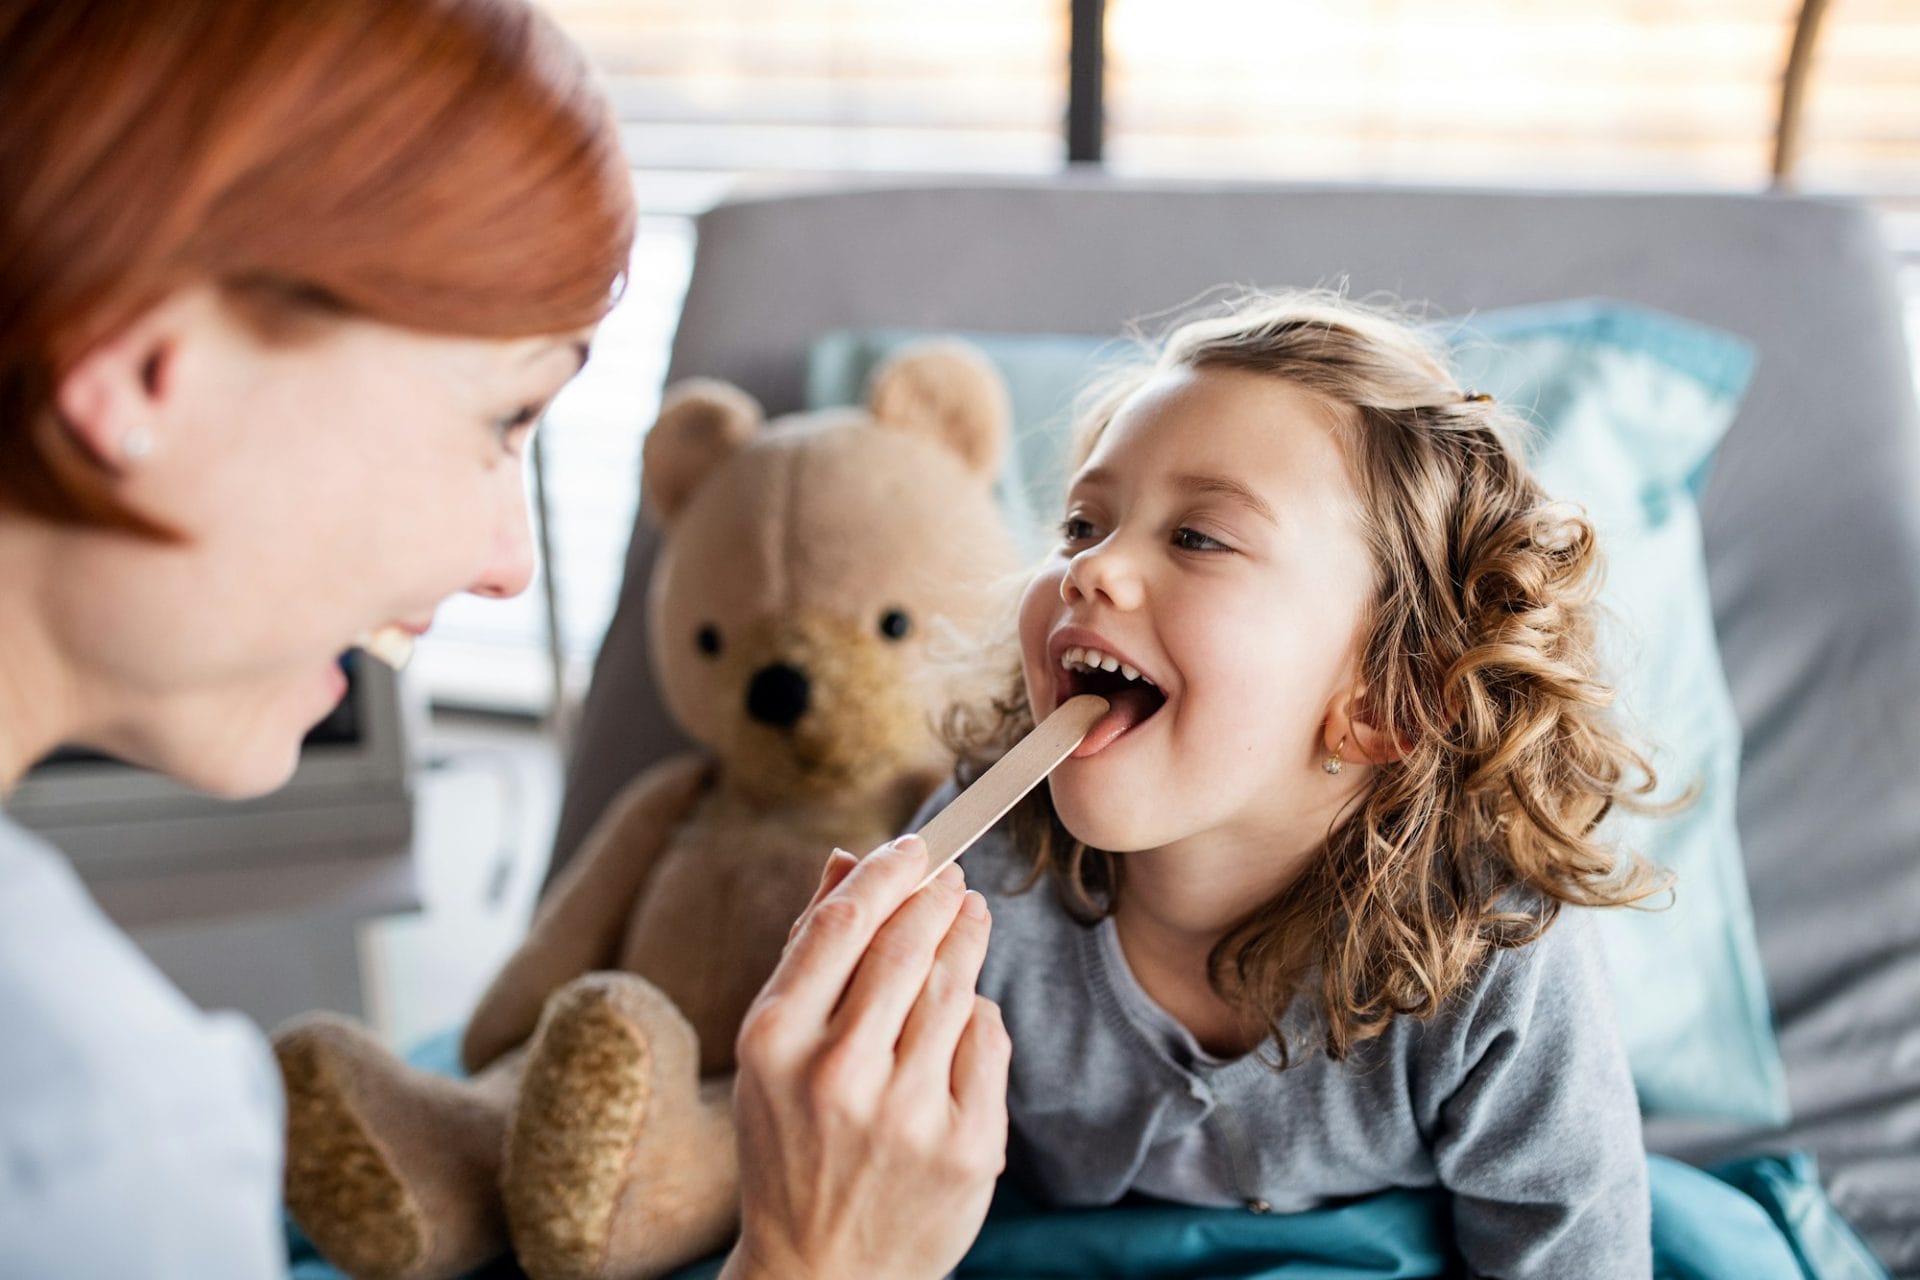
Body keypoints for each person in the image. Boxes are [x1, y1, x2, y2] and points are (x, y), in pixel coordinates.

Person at [0, 2, 1006, 1277]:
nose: (506, 563)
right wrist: (815, 1257)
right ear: (149, 365)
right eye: (501, 418)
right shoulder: (98, 1142)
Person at [927, 290, 1670, 1277]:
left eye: (1198, 536)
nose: (1091, 570)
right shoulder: (979, 870)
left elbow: (1568, 1248)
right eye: (1080, 524)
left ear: (1383, 702)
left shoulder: (1492, 946)